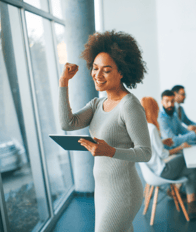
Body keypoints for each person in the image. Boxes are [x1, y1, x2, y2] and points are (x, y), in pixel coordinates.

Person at [58, 30, 151, 232]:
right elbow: (68, 123)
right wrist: (63, 83)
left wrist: (110, 151)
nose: (97, 75)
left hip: (123, 191)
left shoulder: (130, 106)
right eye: (95, 68)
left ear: (122, 71)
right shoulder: (97, 103)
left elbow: (145, 153)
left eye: (106, 70)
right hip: (102, 189)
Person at [141, 96, 196, 219]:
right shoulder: (152, 128)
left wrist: (162, 142)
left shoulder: (142, 127)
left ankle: (192, 206)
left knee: (191, 170)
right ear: (152, 109)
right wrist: (180, 148)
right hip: (162, 171)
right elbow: (163, 154)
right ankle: (192, 205)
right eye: (156, 108)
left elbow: (151, 146)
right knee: (188, 160)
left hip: (151, 172)